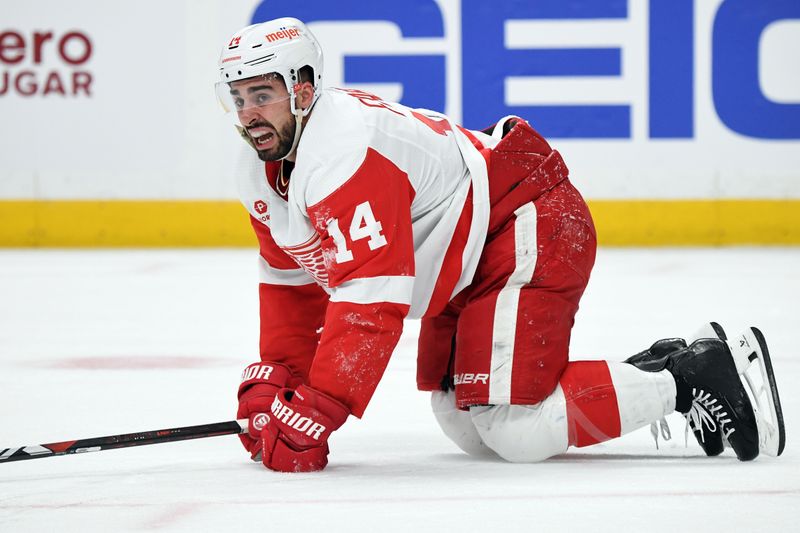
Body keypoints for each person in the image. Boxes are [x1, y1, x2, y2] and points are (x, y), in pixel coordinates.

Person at [218, 18, 785, 472]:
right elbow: (292, 282)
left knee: (518, 430)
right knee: (463, 422)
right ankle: (664, 365)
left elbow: (371, 299)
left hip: (525, 222)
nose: (249, 116)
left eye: (262, 95)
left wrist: (318, 409)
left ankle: (691, 378)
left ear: (304, 88)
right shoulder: (263, 169)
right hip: (468, 257)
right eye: (238, 98)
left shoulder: (344, 151)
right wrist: (283, 382)